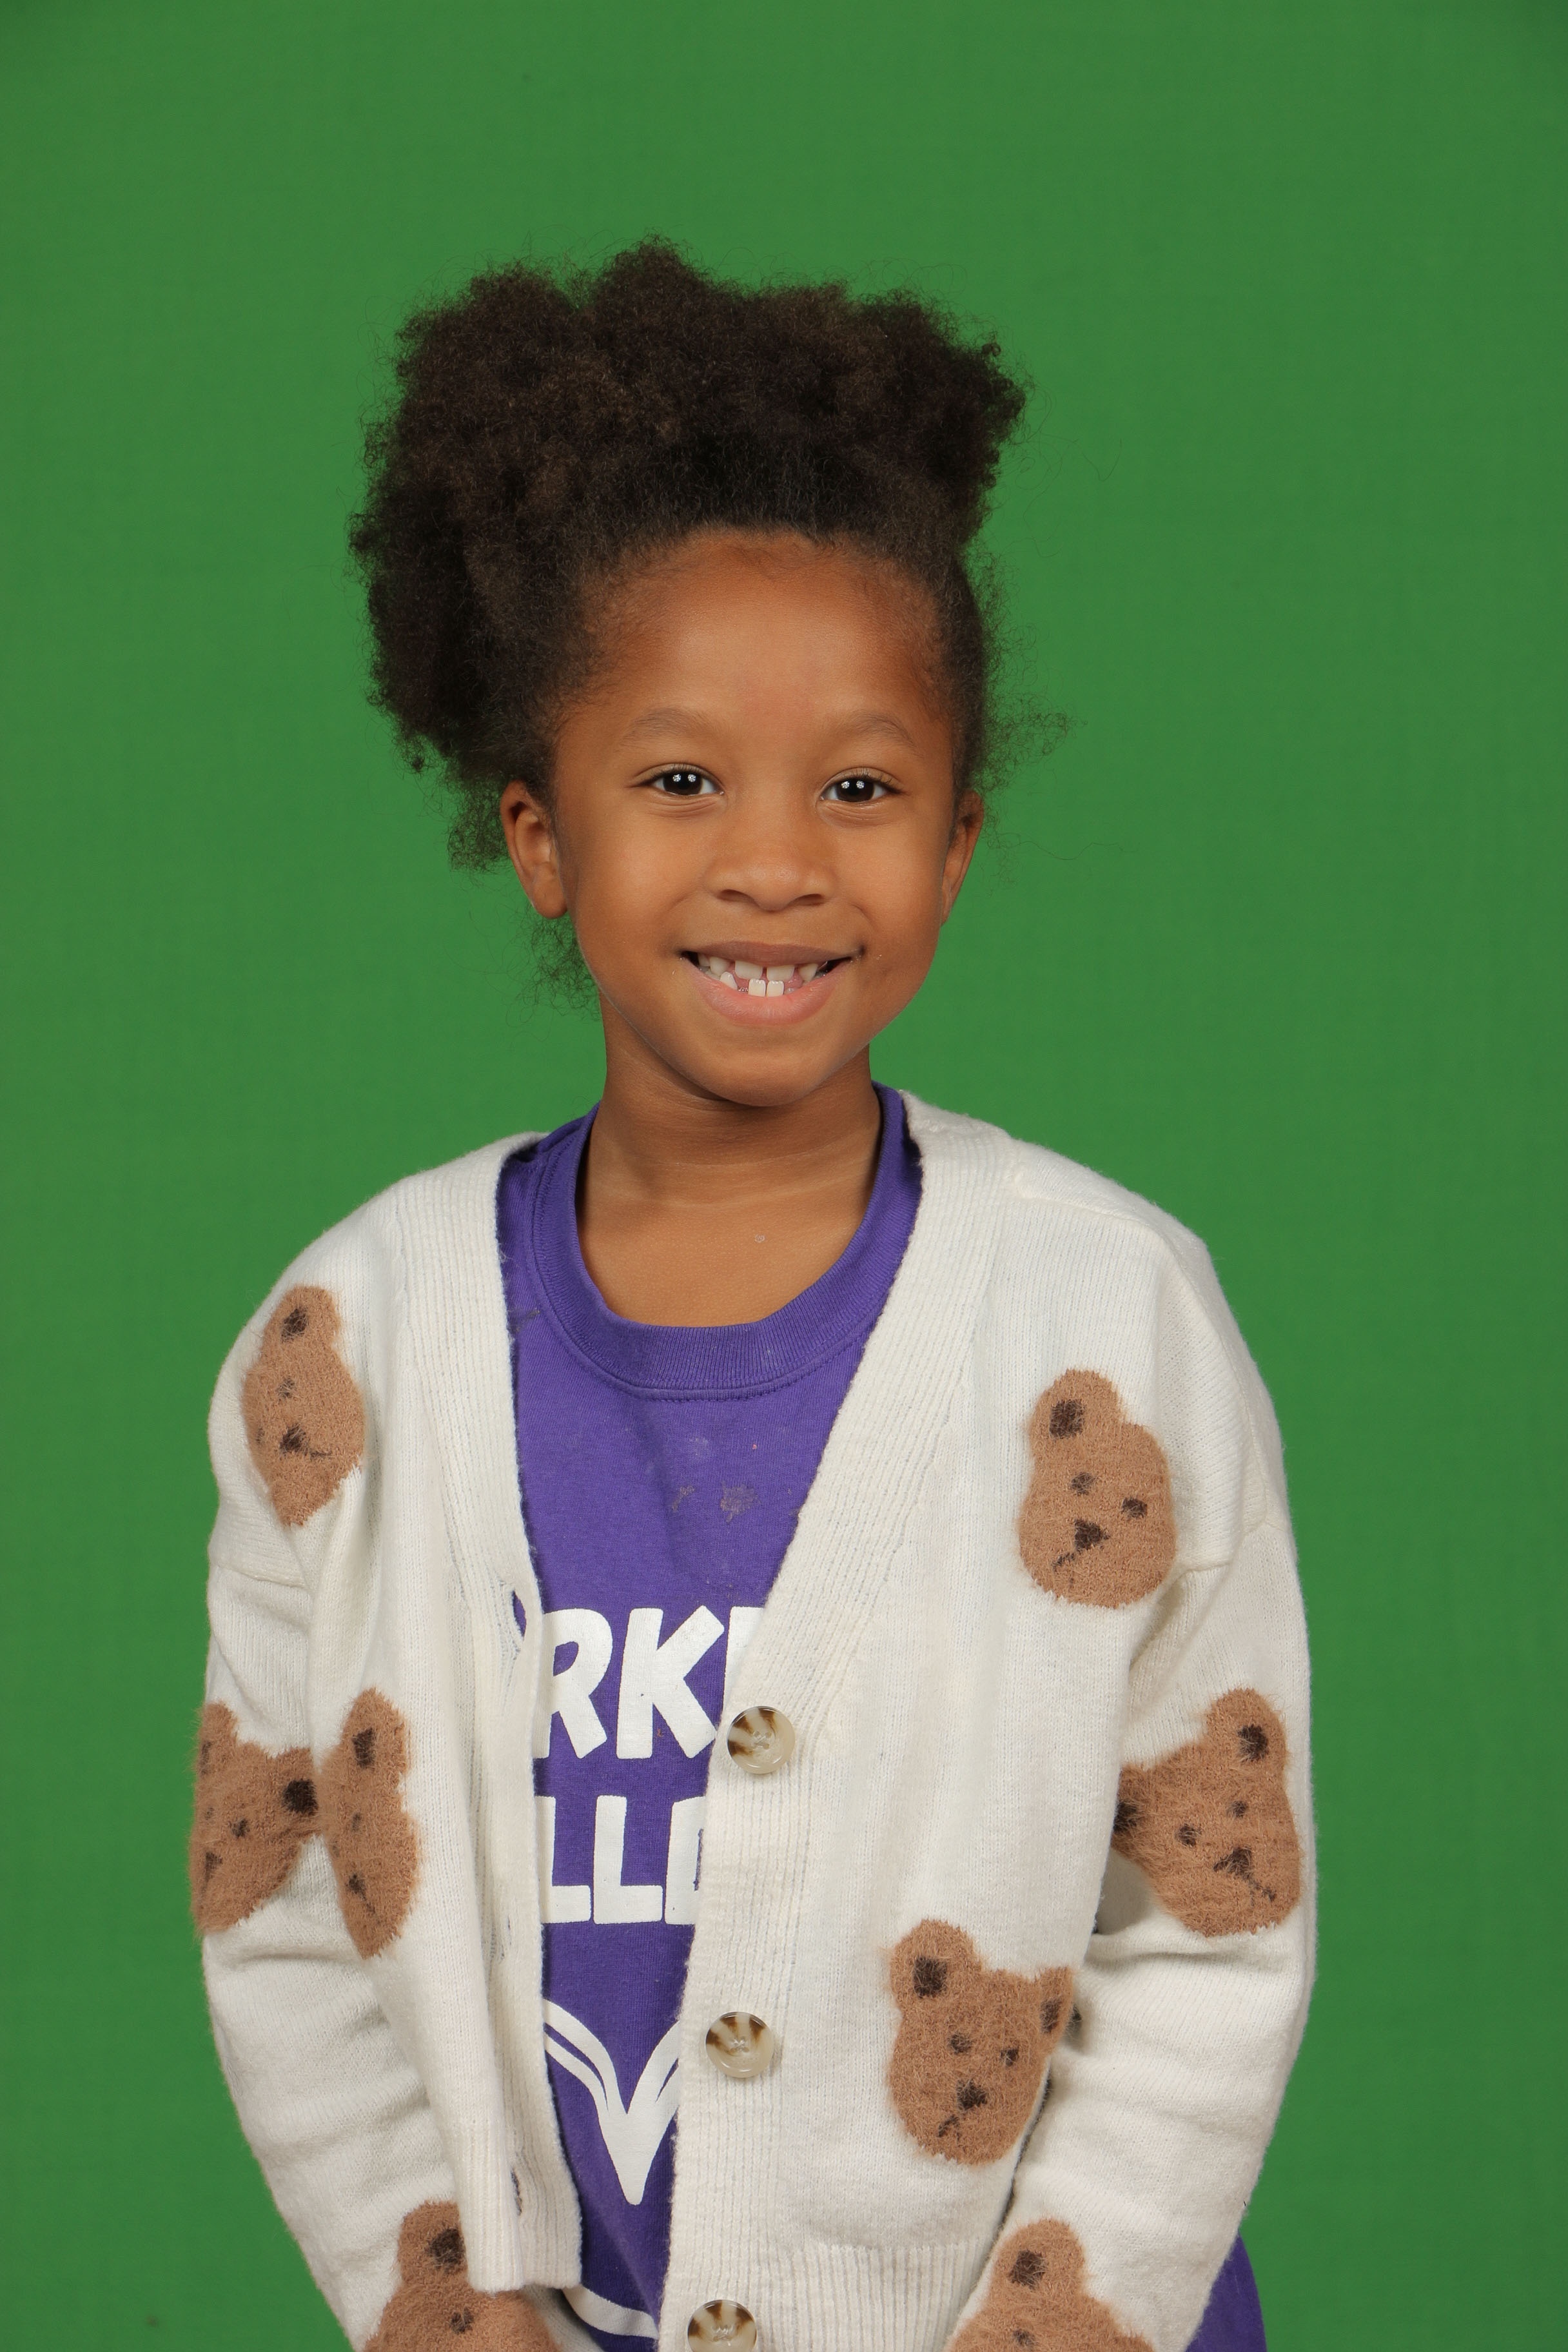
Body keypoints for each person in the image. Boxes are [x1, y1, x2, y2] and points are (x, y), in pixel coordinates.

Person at [190, 243, 1312, 2352]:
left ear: (957, 841)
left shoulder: (1111, 1320)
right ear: (541, 835)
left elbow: (1210, 1918)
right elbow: (281, 1900)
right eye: (682, 778)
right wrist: (443, 2304)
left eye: (861, 787)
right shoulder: (349, 1353)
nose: (778, 860)